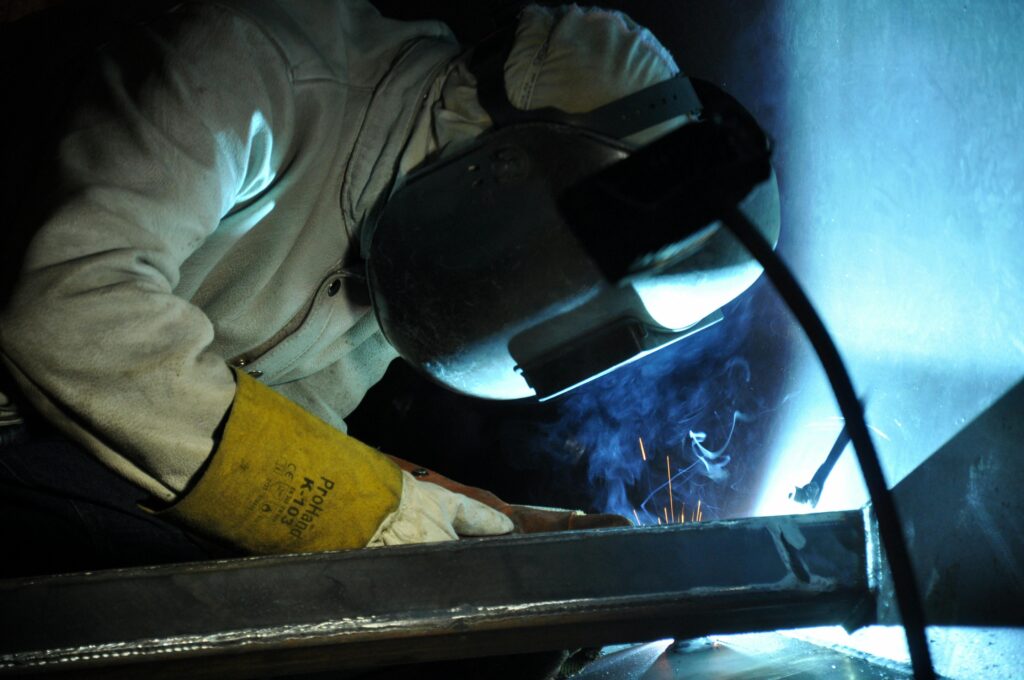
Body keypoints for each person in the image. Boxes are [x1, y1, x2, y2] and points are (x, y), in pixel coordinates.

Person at [0, 1, 777, 573]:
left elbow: (273, 426)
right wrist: (379, 511)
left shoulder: (406, 255)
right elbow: (70, 311)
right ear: (505, 166)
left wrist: (505, 526)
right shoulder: (251, 67)